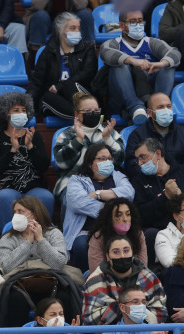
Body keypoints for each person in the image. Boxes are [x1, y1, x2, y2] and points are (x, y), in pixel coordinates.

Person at [0, 196, 68, 326]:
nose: (16, 215)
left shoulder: (54, 234)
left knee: (66, 295)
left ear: (34, 215)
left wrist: (40, 239)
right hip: (19, 285)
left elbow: (58, 264)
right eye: (14, 212)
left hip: (51, 282)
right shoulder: (7, 238)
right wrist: (28, 242)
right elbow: (6, 267)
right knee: (14, 299)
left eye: (20, 211)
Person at [99, 10, 180, 125]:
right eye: (132, 22)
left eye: (140, 21)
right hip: (121, 99)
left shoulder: (151, 42)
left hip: (149, 92)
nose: (138, 25)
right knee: (120, 65)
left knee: (168, 65)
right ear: (122, 25)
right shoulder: (114, 43)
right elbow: (105, 52)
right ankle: (136, 108)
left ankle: (158, 106)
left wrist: (161, 63)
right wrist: (133, 61)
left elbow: (175, 53)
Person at [63, 143, 134, 272]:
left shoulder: (117, 176)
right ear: (90, 163)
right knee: (81, 245)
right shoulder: (77, 180)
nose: (107, 162)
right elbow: (78, 203)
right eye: (102, 159)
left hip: (116, 228)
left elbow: (129, 194)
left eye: (109, 158)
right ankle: (84, 281)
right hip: (85, 230)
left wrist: (98, 194)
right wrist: (111, 206)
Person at [0, 92, 52, 230]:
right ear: (5, 114)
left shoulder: (34, 136)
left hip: (34, 187)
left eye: (24, 110)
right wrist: (12, 151)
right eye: (16, 110)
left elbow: (43, 167)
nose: (21, 114)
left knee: (47, 197)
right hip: (7, 187)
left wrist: (31, 147)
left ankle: (44, 236)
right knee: (4, 197)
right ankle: (7, 238)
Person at [130, 138, 184, 235]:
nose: (140, 163)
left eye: (143, 157)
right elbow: (140, 216)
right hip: (160, 233)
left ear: (158, 154)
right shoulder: (138, 181)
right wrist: (165, 197)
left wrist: (182, 199)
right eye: (137, 159)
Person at [53, 93, 124, 200]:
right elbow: (61, 164)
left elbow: (120, 160)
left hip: (106, 182)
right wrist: (78, 141)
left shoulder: (110, 133)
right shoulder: (66, 134)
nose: (92, 114)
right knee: (72, 200)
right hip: (73, 182)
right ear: (77, 114)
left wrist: (107, 139)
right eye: (87, 111)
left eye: (96, 111)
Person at [28, 13, 97, 120]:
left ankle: (85, 113)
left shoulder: (87, 50)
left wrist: (60, 86)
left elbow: (87, 74)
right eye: (72, 28)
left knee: (69, 85)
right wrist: (25, 103)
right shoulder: (48, 52)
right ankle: (83, 116)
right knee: (46, 96)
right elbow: (37, 82)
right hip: (59, 101)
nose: (77, 32)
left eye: (78, 28)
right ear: (60, 30)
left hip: (80, 95)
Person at [124, 92, 184, 179]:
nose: (166, 110)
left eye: (168, 106)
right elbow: (131, 165)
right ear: (149, 112)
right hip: (148, 185)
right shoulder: (137, 135)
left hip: (179, 184)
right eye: (160, 107)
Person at [87, 197, 148, 275]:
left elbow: (143, 267)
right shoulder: (98, 237)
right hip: (106, 281)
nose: (125, 219)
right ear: (109, 219)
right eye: (119, 215)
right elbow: (96, 272)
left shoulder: (137, 234)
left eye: (128, 214)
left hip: (134, 280)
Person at [27, 1, 95, 51]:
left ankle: (89, 52)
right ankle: (34, 54)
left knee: (85, 14)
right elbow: (37, 6)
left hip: (70, 23)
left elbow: (82, 5)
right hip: (46, 24)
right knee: (41, 16)